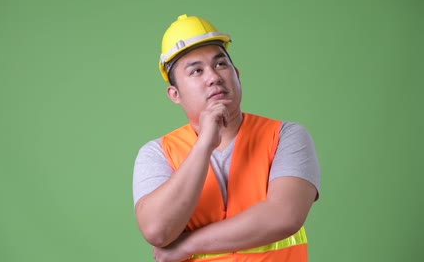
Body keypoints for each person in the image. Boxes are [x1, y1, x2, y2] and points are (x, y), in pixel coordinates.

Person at [133, 14, 320, 262]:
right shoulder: (157, 153)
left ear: (237, 73)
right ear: (174, 94)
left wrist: (187, 245)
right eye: (196, 71)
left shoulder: (285, 136)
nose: (213, 77)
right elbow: (157, 230)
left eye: (221, 64)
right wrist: (204, 145)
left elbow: (284, 216)